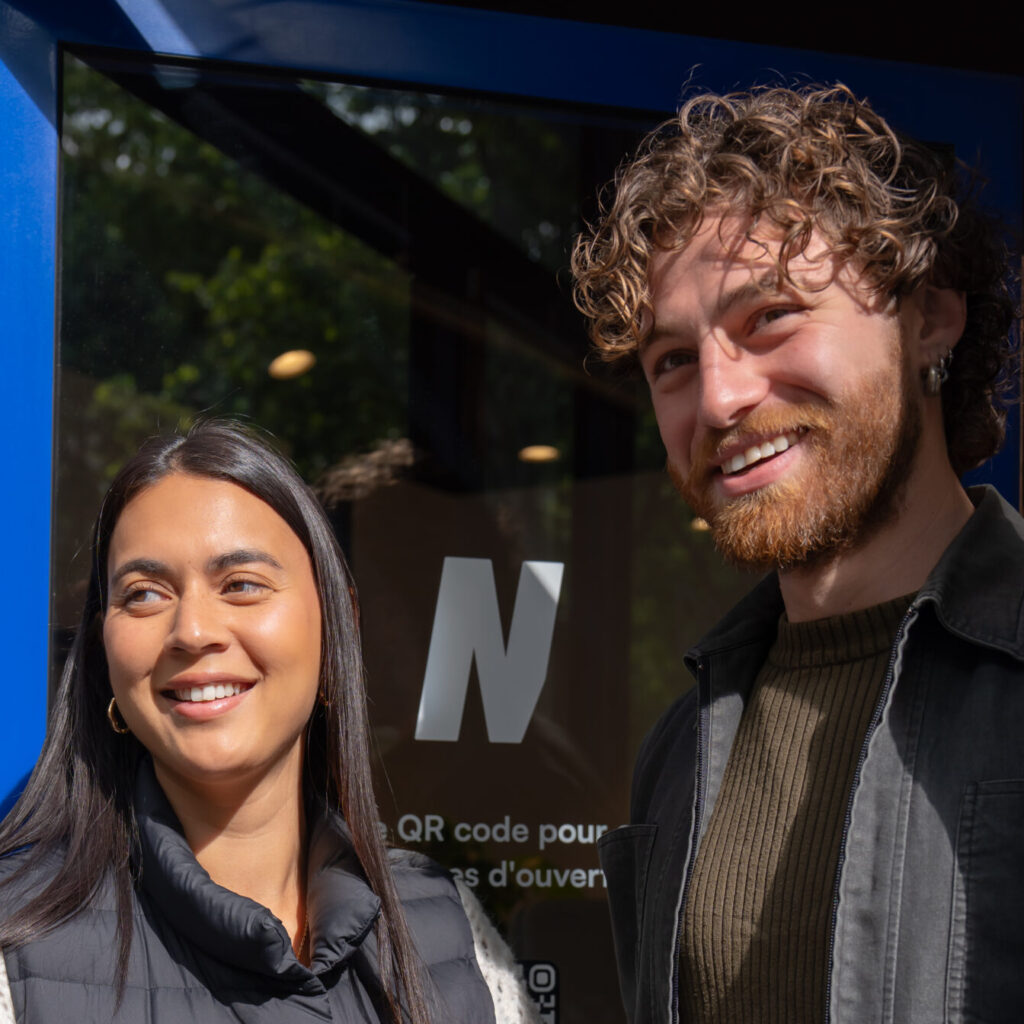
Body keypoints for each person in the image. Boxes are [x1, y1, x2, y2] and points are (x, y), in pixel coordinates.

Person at [572, 84, 1022, 1023]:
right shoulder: (683, 746)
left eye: (770, 315)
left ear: (932, 315)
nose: (722, 398)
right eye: (672, 361)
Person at [0, 419, 537, 1023]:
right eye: (145, 593)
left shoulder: (449, 930)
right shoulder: (14, 950)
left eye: (242, 584)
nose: (194, 631)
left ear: (339, 624)